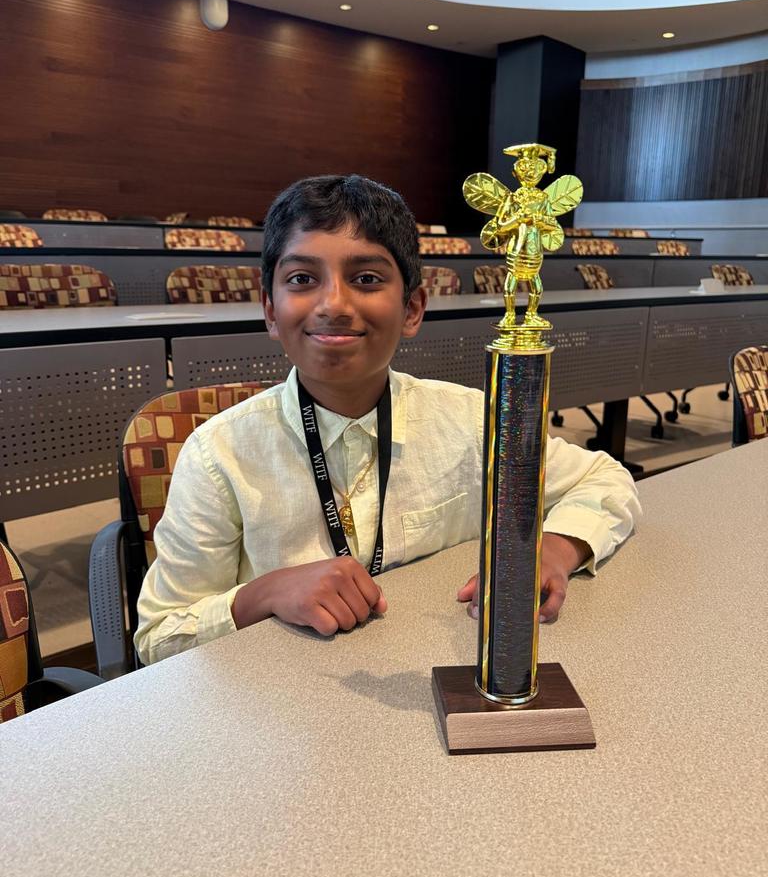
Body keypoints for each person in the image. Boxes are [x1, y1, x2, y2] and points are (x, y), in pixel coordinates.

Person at [135, 175, 640, 665]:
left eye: (367, 279)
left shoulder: (471, 420)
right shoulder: (217, 455)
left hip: (433, 664)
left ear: (413, 308)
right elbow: (159, 638)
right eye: (302, 279)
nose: (334, 304)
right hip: (276, 705)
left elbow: (605, 477)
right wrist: (262, 594)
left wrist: (553, 549)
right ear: (270, 309)